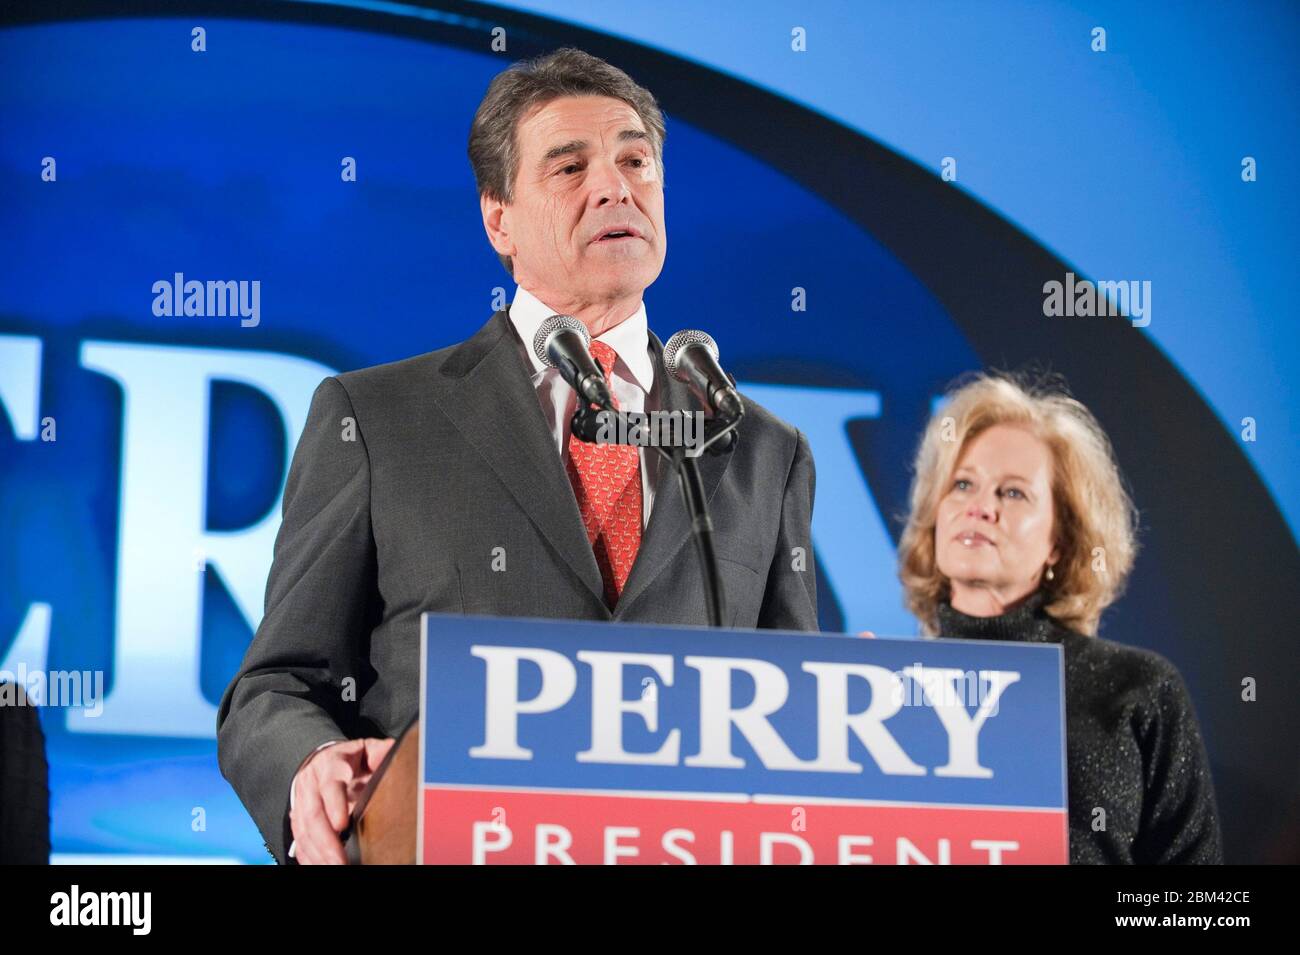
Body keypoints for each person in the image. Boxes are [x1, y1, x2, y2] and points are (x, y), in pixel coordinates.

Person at [216, 48, 818, 865]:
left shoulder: (759, 449)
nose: (616, 186)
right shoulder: (378, 419)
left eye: (636, 160)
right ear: (498, 217)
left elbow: (799, 719)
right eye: (570, 166)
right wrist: (309, 764)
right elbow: (275, 686)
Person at [896, 372, 1222, 864]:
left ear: (1060, 542)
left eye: (1013, 493)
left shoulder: (1139, 690)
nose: (979, 508)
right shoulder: (881, 691)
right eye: (962, 484)